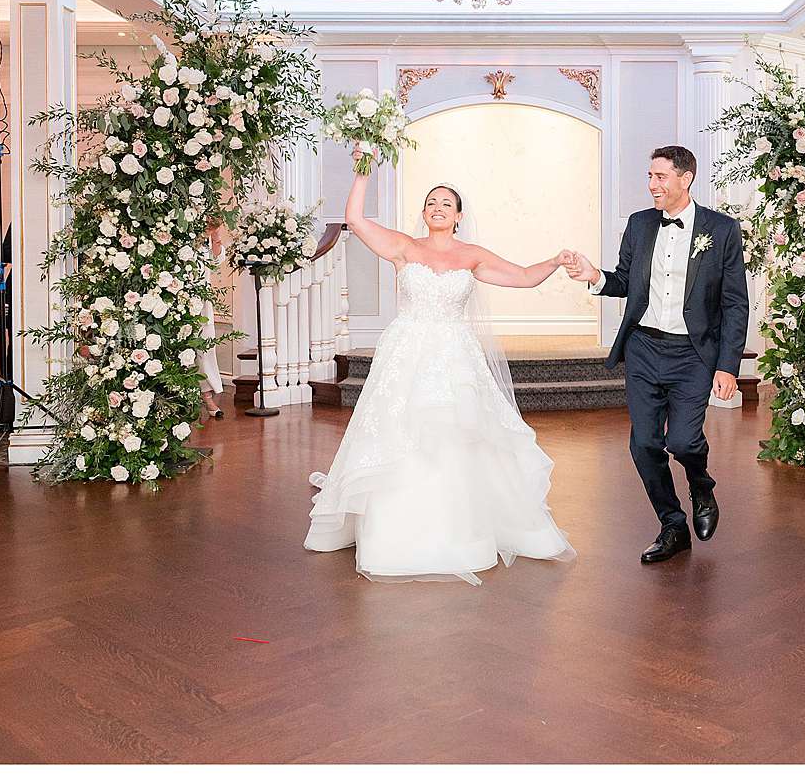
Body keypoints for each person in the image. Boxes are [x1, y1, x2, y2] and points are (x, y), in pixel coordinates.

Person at [304, 163, 575, 585]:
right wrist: (360, 168)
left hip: (455, 356)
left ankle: (461, 528)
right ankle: (395, 532)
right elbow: (355, 220)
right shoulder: (403, 247)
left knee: (459, 434)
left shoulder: (473, 256)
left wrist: (556, 261)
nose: (437, 208)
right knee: (400, 431)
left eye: (445, 203)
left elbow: (522, 278)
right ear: (424, 211)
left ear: (459, 215)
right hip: (407, 352)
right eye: (431, 202)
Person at [565, 145, 749, 564]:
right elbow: (627, 281)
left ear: (685, 179)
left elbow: (736, 303)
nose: (652, 185)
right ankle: (672, 524)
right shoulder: (640, 224)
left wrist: (727, 366)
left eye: (660, 177)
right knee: (644, 445)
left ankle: (700, 483)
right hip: (645, 348)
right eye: (649, 176)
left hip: (693, 354)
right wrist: (595, 276)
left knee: (683, 440)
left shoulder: (721, 230)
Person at [197, 219, 226, 419]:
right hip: (177, 294)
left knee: (204, 347)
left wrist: (215, 234)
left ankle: (207, 396)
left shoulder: (207, 238)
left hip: (201, 298)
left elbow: (216, 260)